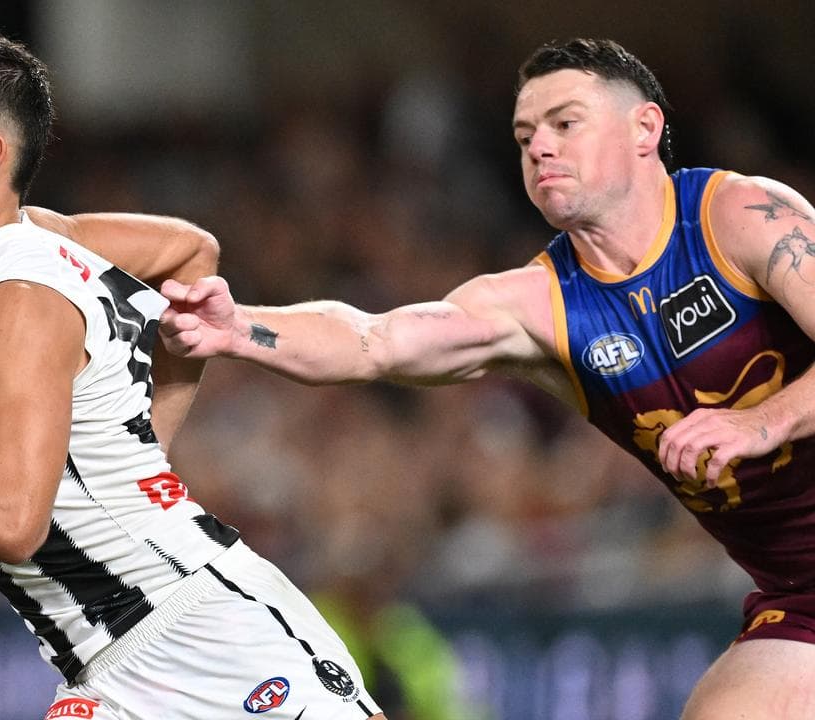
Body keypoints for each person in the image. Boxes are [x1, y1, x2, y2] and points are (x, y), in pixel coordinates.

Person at [158, 37, 815, 719]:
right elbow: (373, 340)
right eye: (525, 135)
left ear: (645, 128)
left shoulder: (735, 217)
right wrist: (240, 329)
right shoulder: (538, 307)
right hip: (800, 598)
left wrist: (759, 421)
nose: (539, 148)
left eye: (565, 123)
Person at [0, 27, 384, 719]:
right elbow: (189, 252)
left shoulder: (10, 303)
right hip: (113, 658)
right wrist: (139, 450)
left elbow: (12, 520)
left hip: (208, 642)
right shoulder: (38, 241)